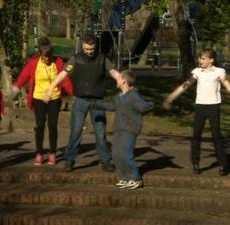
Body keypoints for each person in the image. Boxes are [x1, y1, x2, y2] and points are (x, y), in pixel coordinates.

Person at [44, 34, 120, 172]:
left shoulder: (102, 58)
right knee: (76, 131)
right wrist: (51, 88)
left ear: (95, 47)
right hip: (80, 101)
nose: (89, 51)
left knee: (100, 133)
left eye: (92, 49)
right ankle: (69, 160)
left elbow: (113, 71)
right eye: (86, 49)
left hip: (97, 101)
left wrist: (121, 81)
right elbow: (63, 74)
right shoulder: (75, 59)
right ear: (82, 46)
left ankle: (105, 160)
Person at [163, 48, 230, 176]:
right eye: (200, 58)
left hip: (214, 107)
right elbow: (186, 85)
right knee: (196, 136)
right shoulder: (197, 72)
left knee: (217, 136)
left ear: (211, 60)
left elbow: (229, 87)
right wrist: (170, 97)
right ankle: (195, 163)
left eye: (203, 58)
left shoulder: (219, 71)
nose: (200, 60)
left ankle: (222, 165)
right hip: (200, 107)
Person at [12, 37, 73, 166]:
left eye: (49, 57)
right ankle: (39, 153)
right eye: (44, 58)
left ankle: (52, 152)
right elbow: (24, 75)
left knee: (52, 126)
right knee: (40, 125)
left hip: (54, 98)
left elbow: (65, 80)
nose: (47, 60)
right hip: (38, 98)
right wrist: (17, 86)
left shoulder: (58, 62)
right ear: (41, 55)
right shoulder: (34, 63)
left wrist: (74, 94)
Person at [91, 70, 153, 189]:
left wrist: (150, 104)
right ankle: (124, 177)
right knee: (116, 154)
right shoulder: (118, 97)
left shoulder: (133, 95)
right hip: (118, 128)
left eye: (118, 78)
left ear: (124, 81)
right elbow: (111, 106)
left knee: (126, 154)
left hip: (129, 129)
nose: (116, 80)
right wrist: (94, 104)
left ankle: (135, 178)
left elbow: (143, 107)